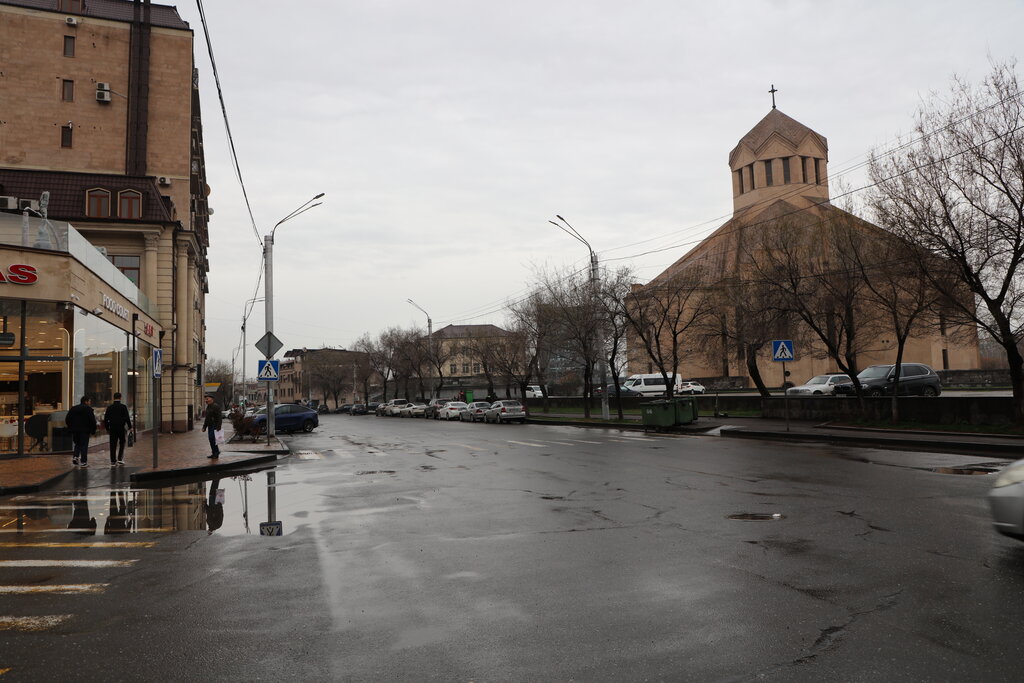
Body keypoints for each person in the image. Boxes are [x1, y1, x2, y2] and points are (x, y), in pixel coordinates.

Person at [65, 395, 97, 468]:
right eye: (89, 401)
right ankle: (83, 462)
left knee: (77, 444)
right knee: (84, 445)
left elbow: (67, 419)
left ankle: (75, 457)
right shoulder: (88, 409)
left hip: (75, 430)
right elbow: (92, 421)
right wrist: (93, 430)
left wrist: (71, 427)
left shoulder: (73, 408)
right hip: (85, 431)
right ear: (86, 401)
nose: (90, 403)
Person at [103, 392, 132, 466]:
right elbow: (127, 418)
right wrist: (130, 427)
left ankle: (113, 461)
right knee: (122, 442)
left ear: (113, 398)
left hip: (112, 428)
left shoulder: (109, 407)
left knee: (112, 444)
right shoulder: (123, 407)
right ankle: (120, 458)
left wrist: (107, 428)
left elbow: (106, 419)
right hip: (121, 427)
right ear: (120, 398)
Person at [201, 395, 222, 459]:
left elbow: (219, 417)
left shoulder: (215, 406)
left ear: (212, 399)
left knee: (212, 439)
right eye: (206, 399)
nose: (206, 400)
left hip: (214, 425)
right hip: (210, 425)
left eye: (207, 399)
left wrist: (218, 427)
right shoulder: (208, 407)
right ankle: (214, 452)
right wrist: (204, 427)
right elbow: (207, 418)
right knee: (211, 439)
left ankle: (216, 452)